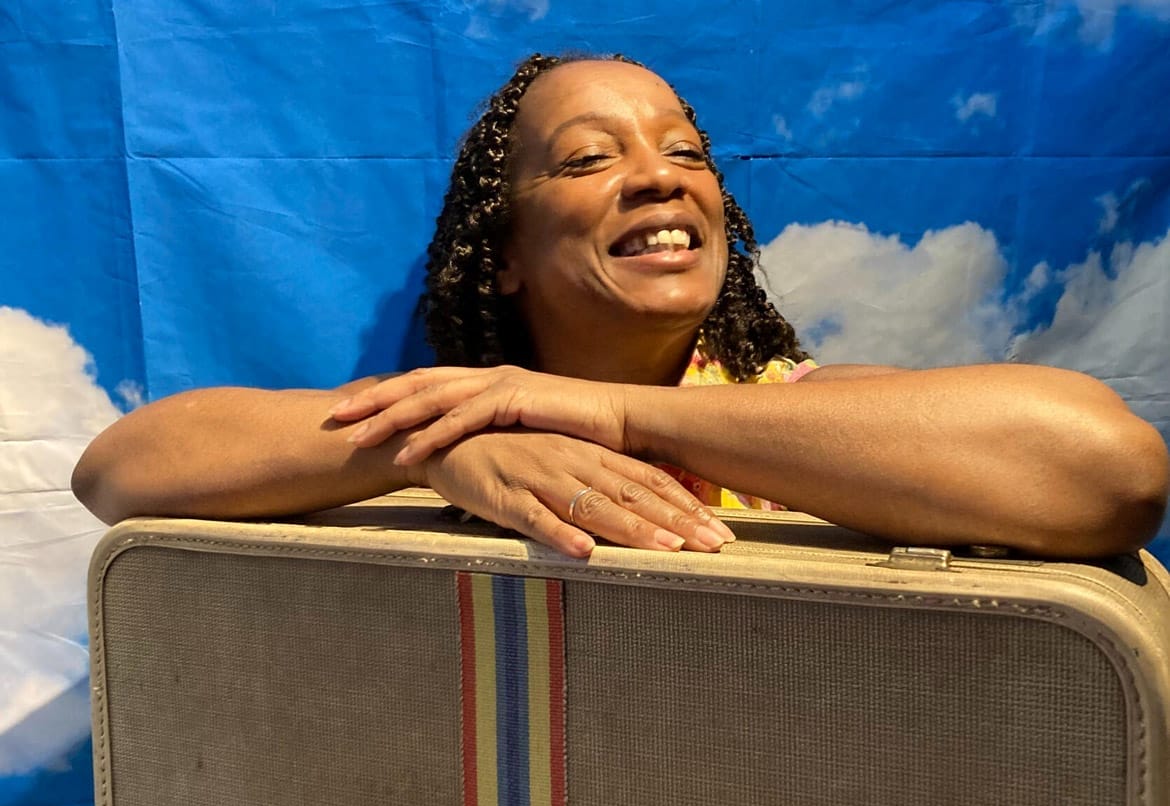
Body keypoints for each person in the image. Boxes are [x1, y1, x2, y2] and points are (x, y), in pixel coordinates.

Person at [72, 53, 1169, 559]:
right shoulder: (451, 425)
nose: (661, 176)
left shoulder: (812, 419)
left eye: (686, 151)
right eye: (591, 158)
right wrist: (435, 452)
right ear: (500, 255)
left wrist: (615, 416)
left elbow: (1114, 471)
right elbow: (120, 466)